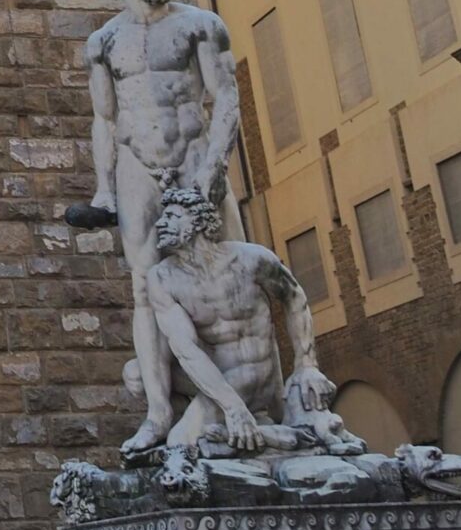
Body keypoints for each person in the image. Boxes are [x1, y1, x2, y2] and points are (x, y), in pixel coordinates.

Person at [81, 0, 242, 455]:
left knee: (228, 270)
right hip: (137, 168)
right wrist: (104, 189)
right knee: (145, 288)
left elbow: (225, 103)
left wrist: (212, 171)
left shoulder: (200, 26)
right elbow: (104, 119)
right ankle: (157, 413)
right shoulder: (103, 42)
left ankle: (245, 396)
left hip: (195, 157)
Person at [146, 186, 362, 455]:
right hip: (211, 371)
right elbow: (186, 350)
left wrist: (306, 364)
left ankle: (260, 434)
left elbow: (295, 298)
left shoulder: (251, 259)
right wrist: (232, 407)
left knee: (181, 443)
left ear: (198, 221)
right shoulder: (162, 277)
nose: (160, 223)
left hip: (252, 371)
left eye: (172, 216)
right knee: (136, 374)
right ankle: (250, 429)